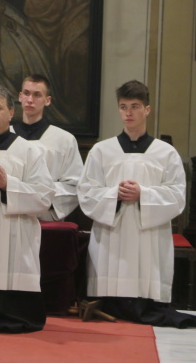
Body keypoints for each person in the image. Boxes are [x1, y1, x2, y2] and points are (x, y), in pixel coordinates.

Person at [78, 80, 195, 328]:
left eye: (135, 106)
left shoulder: (166, 153)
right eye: (123, 107)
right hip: (112, 234)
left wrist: (143, 194)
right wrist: (114, 195)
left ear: (147, 110)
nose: (128, 113)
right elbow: (87, 193)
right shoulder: (101, 151)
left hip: (148, 236)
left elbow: (177, 196)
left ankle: (146, 303)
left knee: (147, 290)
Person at [0, 85, 54, 333]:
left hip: (15, 233)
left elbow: (45, 195)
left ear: (10, 113)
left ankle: (17, 316)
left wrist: (9, 186)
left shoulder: (29, 150)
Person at [13, 74, 83, 220]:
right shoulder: (6, 136)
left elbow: (74, 185)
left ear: (47, 100)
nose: (30, 100)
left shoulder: (64, 140)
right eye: (26, 93)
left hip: (46, 219)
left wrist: (39, 195)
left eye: (37, 95)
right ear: (20, 97)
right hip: (11, 217)